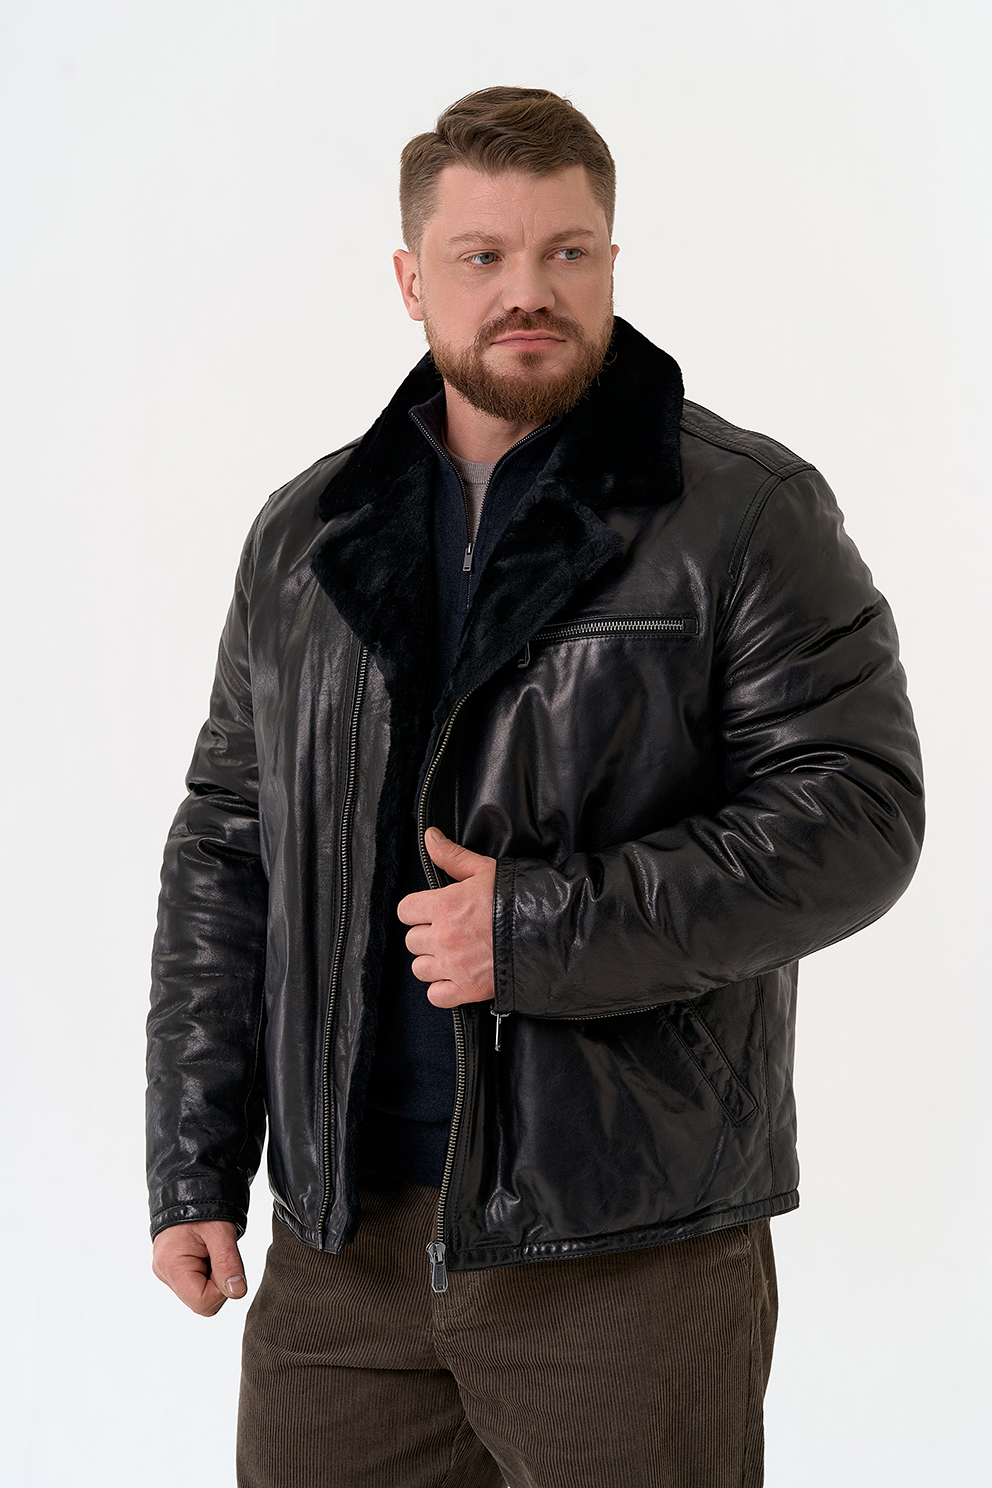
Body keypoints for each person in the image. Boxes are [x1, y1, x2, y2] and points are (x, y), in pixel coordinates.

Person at [146, 86, 924, 1488]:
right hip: (340, 1243)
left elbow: (857, 813)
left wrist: (542, 930)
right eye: (483, 256)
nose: (529, 291)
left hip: (625, 1243)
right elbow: (228, 845)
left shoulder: (744, 513)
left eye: (567, 252)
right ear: (411, 280)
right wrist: (195, 1165)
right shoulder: (308, 534)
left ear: (612, 262)